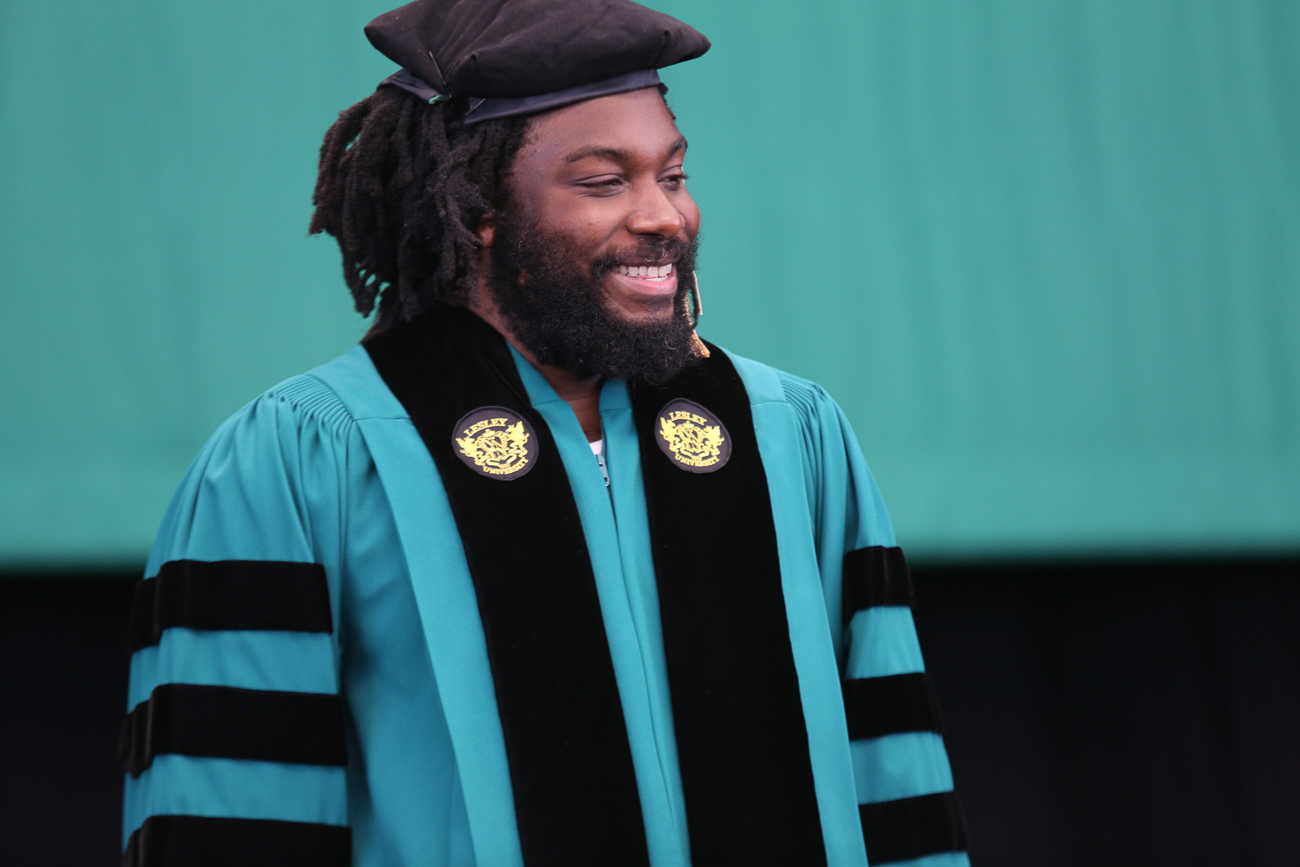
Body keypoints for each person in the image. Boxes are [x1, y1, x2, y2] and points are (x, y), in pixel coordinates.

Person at [119, 1, 969, 865]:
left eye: (672, 175)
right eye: (605, 182)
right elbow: (232, 820)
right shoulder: (308, 456)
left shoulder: (786, 432)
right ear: (478, 209)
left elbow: (894, 783)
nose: (664, 218)